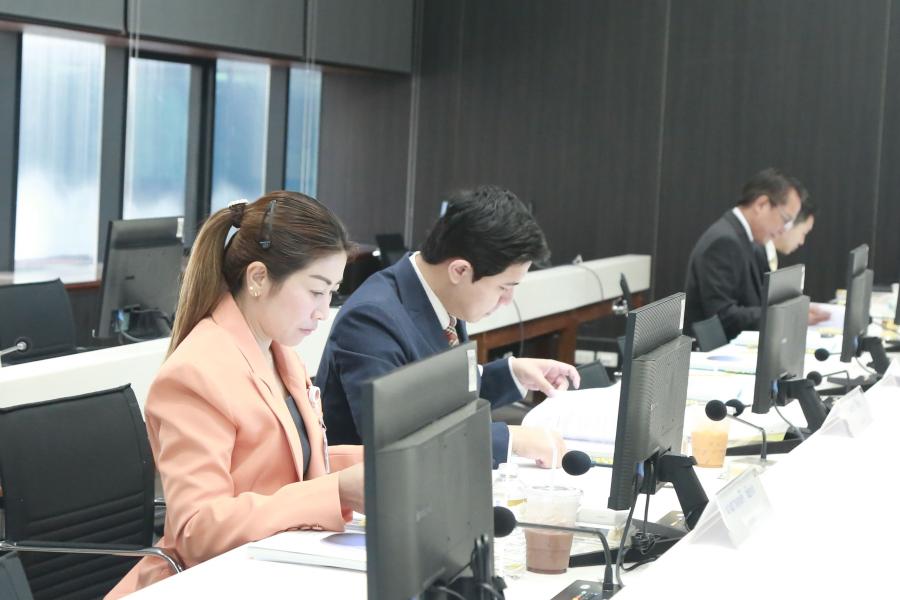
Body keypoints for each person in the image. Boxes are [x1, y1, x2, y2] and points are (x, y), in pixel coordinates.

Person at [107, 192, 364, 598]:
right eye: (316, 291)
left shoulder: (280, 352)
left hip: (267, 568)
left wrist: (378, 465)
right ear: (258, 278)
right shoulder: (195, 374)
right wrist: (338, 490)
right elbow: (198, 530)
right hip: (209, 582)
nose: (323, 311)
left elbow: (290, 462)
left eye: (332, 292)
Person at [317, 186, 579, 469]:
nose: (507, 301)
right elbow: (393, 438)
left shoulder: (442, 296)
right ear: (460, 270)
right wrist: (510, 440)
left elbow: (434, 398)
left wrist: (513, 373)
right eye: (504, 287)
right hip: (366, 489)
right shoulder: (372, 318)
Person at [684, 168, 827, 341]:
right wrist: (785, 316)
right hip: (715, 350)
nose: (784, 230)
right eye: (785, 220)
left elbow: (759, 303)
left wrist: (793, 310)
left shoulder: (751, 240)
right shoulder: (723, 242)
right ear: (761, 205)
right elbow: (723, 316)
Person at [765, 198, 817, 271]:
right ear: (788, 224)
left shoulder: (769, 257)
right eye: (804, 233)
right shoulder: (754, 254)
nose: (802, 242)